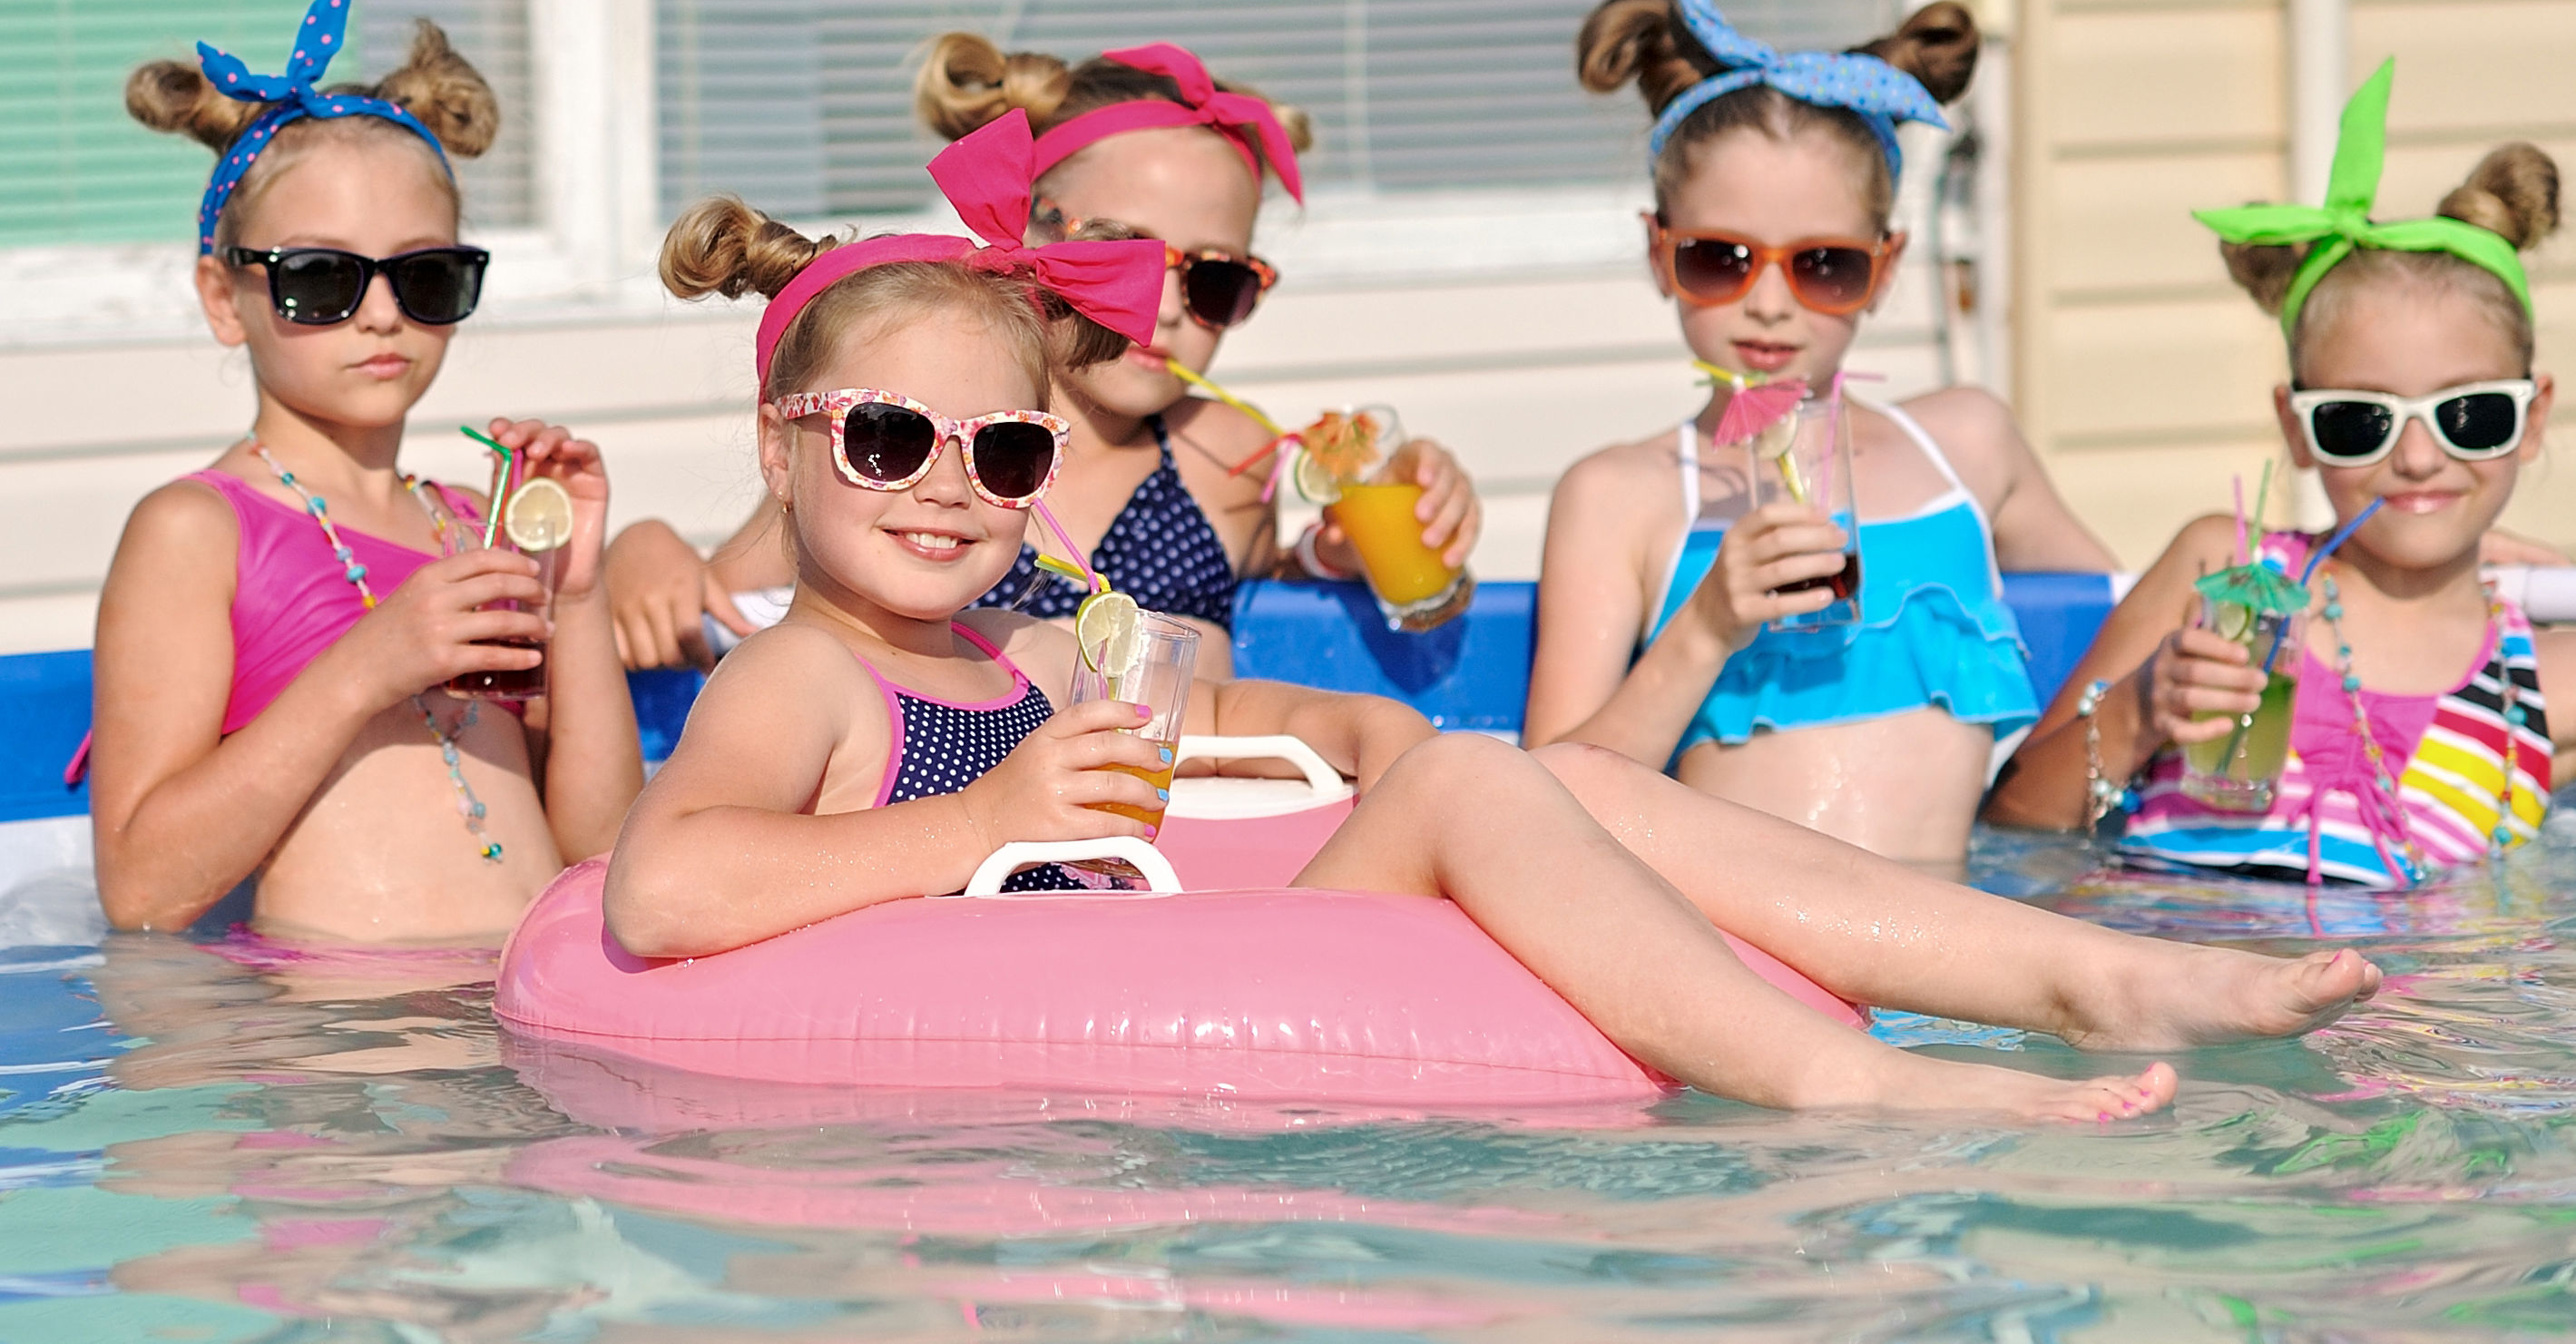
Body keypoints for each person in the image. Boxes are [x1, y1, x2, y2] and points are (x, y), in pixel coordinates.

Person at [605, 113, 2384, 1120]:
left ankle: (2083, 970)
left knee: (1553, 786)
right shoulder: (800, 673)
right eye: (893, 437)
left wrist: (1343, 731)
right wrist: (987, 819)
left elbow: (1203, 740)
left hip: (1164, 959)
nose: (947, 486)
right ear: (788, 442)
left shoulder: (1021, 648)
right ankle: (1844, 1080)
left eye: (999, 447)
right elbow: (665, 884)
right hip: (999, 1026)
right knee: (1478, 786)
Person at [603, 37, 1483, 677]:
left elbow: (1297, 603)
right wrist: (643, 552)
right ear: (1033, 233)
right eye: (1125, 255)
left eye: (1214, 280)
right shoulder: (907, 446)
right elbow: (714, 609)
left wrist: (1368, 541)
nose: (1165, 305)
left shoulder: (1227, 454)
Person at [85, 0, 641, 942]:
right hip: (338, 1046)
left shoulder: (472, 521)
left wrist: (579, 594)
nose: (381, 312)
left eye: (424, 274)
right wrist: (367, 666)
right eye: (320, 277)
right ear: (225, 297)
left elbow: (602, 855)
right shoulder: (197, 529)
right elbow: (142, 889)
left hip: (528, 1004)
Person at [1523, 0, 2113, 867]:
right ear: (1658, 251)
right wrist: (1706, 625)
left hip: (1970, 955)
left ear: (1884, 266)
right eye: (1722, 259)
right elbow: (1539, 812)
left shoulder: (1965, 443)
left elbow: (2113, 631)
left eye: (1822, 265)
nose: (1769, 304)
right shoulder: (1621, 496)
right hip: (1754, 954)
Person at [1985, 62, 2576, 886]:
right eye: (2357, 420)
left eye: (2469, 415)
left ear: (2532, 416)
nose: (2415, 457)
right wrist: (2142, 708)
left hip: (2405, 1011)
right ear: (2294, 428)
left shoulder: (2540, 685)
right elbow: (2008, 825)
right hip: (2163, 978)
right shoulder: (2221, 571)